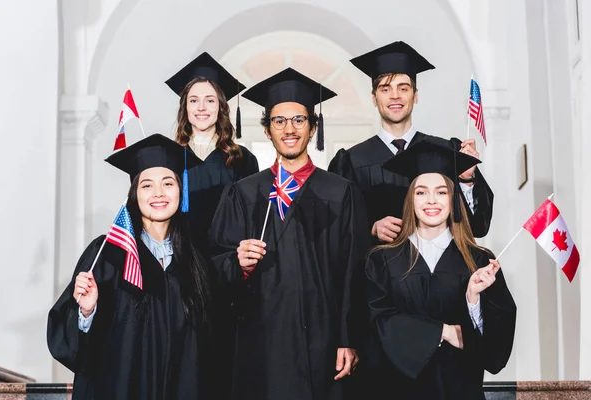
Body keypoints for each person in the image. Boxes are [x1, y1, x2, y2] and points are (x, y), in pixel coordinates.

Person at [209, 68, 370, 400]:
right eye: (279, 121)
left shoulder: (341, 192)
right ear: (267, 131)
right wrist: (237, 262)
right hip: (261, 340)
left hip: (325, 341)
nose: (290, 129)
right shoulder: (243, 193)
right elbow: (214, 265)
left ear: (312, 127)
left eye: (299, 119)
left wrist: (347, 337)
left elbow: (354, 272)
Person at [47, 134, 215, 400]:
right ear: (134, 194)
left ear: (180, 191)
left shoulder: (196, 264)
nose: (159, 193)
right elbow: (71, 343)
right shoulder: (108, 254)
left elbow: (209, 350)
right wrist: (87, 312)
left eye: (168, 183)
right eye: (147, 185)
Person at [363, 137, 516, 399]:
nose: (431, 201)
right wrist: (442, 331)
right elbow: (376, 324)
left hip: (461, 389)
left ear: (454, 198)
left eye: (442, 192)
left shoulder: (478, 260)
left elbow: (496, 345)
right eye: (421, 192)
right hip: (399, 391)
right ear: (410, 199)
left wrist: (473, 300)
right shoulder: (381, 260)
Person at [328, 41, 494, 243]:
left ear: (415, 96)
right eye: (385, 89)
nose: (395, 96)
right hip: (376, 272)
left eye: (403, 88)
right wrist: (370, 227)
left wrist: (467, 180)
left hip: (436, 272)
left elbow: (479, 226)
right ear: (374, 98)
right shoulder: (351, 162)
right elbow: (335, 231)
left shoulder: (446, 151)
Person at [165, 51, 259, 253]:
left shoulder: (242, 159)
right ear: (185, 107)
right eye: (193, 100)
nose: (201, 107)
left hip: (228, 261)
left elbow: (251, 218)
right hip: (181, 259)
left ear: (221, 107)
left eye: (209, 100)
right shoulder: (170, 157)